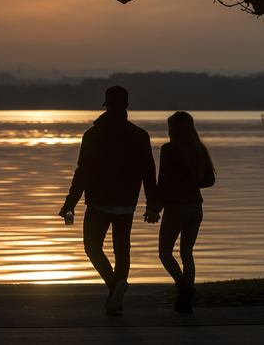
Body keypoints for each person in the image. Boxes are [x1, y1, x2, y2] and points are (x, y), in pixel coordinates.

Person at [59, 85, 158, 316]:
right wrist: (152, 206)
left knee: (92, 247)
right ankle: (117, 300)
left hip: (98, 202)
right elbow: (149, 174)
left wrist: (69, 204)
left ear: (107, 105)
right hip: (127, 203)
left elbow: (82, 172)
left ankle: (114, 285)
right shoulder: (140, 135)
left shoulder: (93, 134)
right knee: (122, 250)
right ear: (127, 106)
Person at [153, 111, 215, 313]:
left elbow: (164, 182)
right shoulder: (199, 149)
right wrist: (192, 184)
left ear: (172, 129)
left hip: (176, 207)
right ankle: (185, 301)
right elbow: (209, 180)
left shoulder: (169, 149)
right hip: (196, 207)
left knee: (164, 252)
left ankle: (183, 285)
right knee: (187, 253)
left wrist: (154, 209)